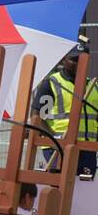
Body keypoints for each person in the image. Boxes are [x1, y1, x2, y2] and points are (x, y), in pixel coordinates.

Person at [32, 45, 97, 175]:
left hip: (87, 150)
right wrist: (54, 138)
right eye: (74, 59)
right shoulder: (52, 83)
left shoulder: (93, 86)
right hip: (58, 148)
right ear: (63, 60)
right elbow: (37, 116)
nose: (78, 63)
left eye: (82, 59)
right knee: (60, 190)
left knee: (84, 191)